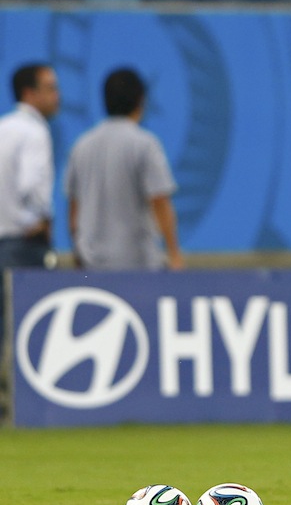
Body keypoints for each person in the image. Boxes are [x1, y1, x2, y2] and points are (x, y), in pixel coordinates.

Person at [64, 68, 183, 270]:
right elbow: (160, 201)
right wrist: (174, 253)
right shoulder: (145, 144)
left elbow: (74, 209)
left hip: (91, 263)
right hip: (137, 265)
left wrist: (78, 252)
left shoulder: (81, 145)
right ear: (141, 100)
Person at [0, 63, 60, 352]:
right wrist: (42, 219)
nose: (57, 96)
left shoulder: (4, 128)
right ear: (29, 93)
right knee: (30, 329)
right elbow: (31, 186)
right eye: (50, 89)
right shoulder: (34, 132)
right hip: (24, 243)